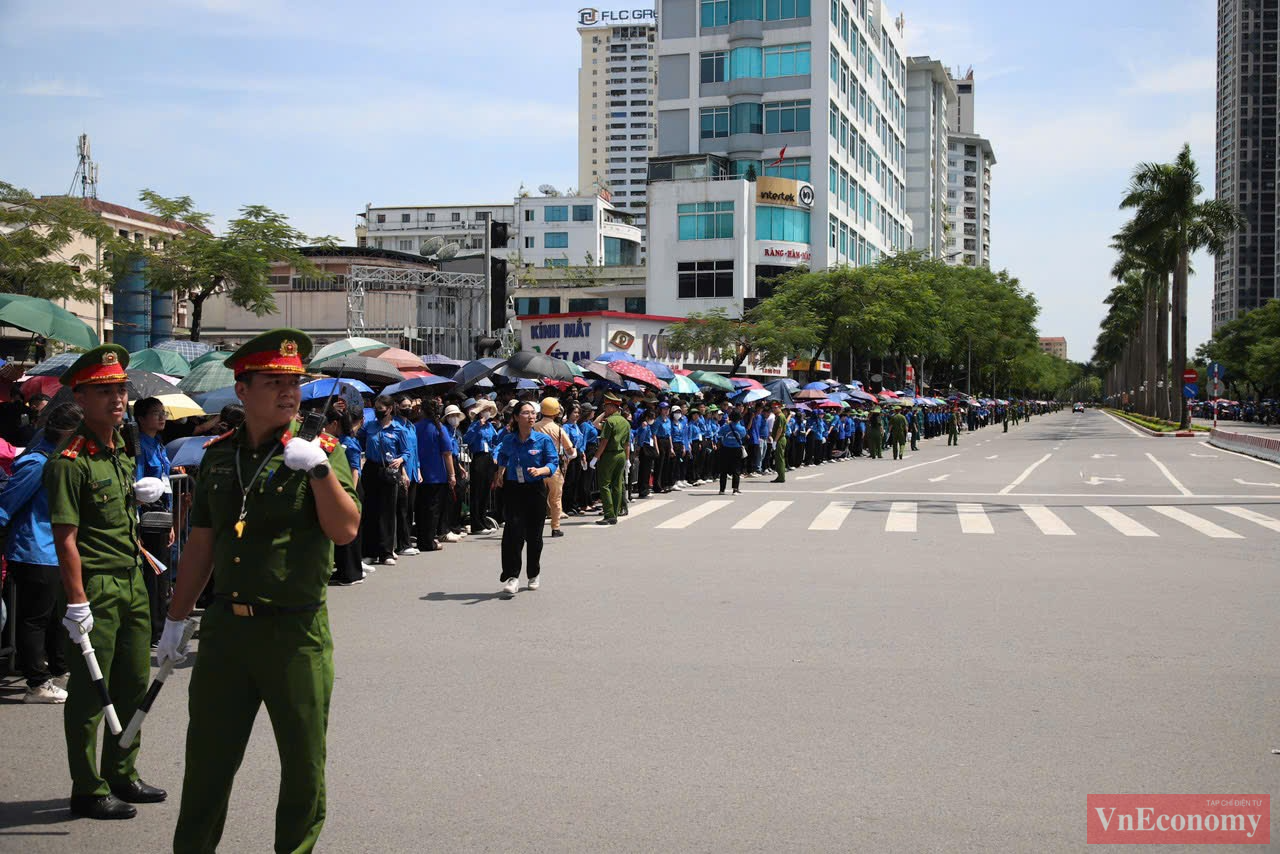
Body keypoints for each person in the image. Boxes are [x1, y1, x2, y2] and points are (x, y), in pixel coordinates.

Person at [160, 328, 360, 853]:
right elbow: (201, 544)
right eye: (274, 383)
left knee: (302, 764)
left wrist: (319, 471)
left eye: (294, 383)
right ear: (242, 390)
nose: (289, 393)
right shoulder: (219, 455)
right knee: (207, 762)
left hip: (295, 633)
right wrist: (176, 620)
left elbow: (345, 530)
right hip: (226, 632)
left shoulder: (322, 451)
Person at [44, 345, 169, 820]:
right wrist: (77, 602)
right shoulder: (69, 460)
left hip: (133, 579)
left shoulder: (120, 449)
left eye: (120, 389)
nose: (117, 399)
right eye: (104, 391)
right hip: (95, 587)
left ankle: (122, 771)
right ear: (80, 397)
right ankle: (87, 786)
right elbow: (66, 539)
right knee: (90, 693)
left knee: (134, 684)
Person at [0, 402, 82, 704]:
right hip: (34, 549)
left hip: (56, 549)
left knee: (56, 616)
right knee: (34, 619)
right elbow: (6, 504)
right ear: (68, 432)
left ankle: (58, 670)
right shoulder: (37, 463)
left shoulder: (63, 460)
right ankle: (36, 682)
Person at [491, 401, 558, 597]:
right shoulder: (508, 440)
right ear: (516, 417)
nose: (531, 416)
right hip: (514, 489)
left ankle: (533, 573)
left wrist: (541, 470)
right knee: (513, 533)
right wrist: (500, 471)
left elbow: (552, 462)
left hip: (535, 489)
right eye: (526, 413)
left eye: (533, 413)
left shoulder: (542, 440)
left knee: (534, 535)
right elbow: (502, 456)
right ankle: (512, 576)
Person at [132, 397, 174, 646]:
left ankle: (160, 624)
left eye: (163, 412)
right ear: (141, 418)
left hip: (162, 516)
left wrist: (171, 520)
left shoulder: (158, 443)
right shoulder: (139, 446)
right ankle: (152, 628)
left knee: (162, 574)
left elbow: (166, 481)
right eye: (156, 413)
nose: (162, 417)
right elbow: (139, 486)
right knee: (152, 573)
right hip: (148, 518)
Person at [361, 395, 407, 565]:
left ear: (389, 409)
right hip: (371, 469)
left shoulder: (398, 429)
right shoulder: (369, 426)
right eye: (376, 408)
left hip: (389, 470)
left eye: (380, 409)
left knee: (387, 511)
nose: (377, 411)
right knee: (370, 510)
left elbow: (406, 452)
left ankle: (386, 552)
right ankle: (370, 552)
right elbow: (358, 439)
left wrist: (400, 460)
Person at [327, 407, 365, 586]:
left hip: (351, 489)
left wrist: (351, 493)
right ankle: (342, 569)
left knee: (350, 532)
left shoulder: (350, 443)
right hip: (338, 490)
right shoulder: (334, 441)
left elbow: (355, 469)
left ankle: (352, 572)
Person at [414, 399, 456, 551]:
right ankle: (428, 541)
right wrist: (452, 475)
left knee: (421, 509)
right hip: (437, 475)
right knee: (433, 511)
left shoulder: (415, 427)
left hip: (419, 473)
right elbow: (447, 453)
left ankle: (422, 539)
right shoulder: (440, 428)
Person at [533, 397, 575, 538]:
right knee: (555, 498)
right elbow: (570, 449)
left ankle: (535, 528)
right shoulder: (558, 429)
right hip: (553, 467)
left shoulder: (534, 427)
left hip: (536, 466)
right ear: (556, 413)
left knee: (536, 498)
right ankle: (555, 528)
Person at [591, 392, 630, 525]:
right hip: (621, 455)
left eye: (606, 407)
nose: (605, 410)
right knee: (617, 484)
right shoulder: (625, 422)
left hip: (609, 455)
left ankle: (609, 514)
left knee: (604, 485)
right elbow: (627, 443)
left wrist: (595, 458)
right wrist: (627, 459)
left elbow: (604, 442)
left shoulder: (610, 422)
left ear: (613, 407)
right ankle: (616, 512)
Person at [462, 399, 498, 533]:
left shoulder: (490, 426)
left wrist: (495, 455)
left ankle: (483, 520)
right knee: (477, 491)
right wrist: (478, 426)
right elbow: (467, 439)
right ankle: (476, 524)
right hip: (478, 457)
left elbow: (495, 441)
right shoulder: (474, 425)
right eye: (485, 410)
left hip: (489, 457)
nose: (487, 412)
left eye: (489, 410)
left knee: (485, 491)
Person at [717, 410, 748, 494]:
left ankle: (722, 490)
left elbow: (719, 435)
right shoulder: (741, 428)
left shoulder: (725, 427)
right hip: (736, 449)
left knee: (723, 470)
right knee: (736, 469)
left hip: (725, 448)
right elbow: (743, 436)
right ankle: (735, 489)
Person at [770, 401, 789, 483]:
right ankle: (780, 476)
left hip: (780, 439)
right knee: (778, 458)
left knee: (779, 458)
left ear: (780, 408)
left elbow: (780, 429)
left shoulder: (780, 416)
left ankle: (781, 477)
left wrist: (775, 441)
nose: (773, 409)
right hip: (779, 439)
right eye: (773, 408)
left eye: (775, 407)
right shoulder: (778, 416)